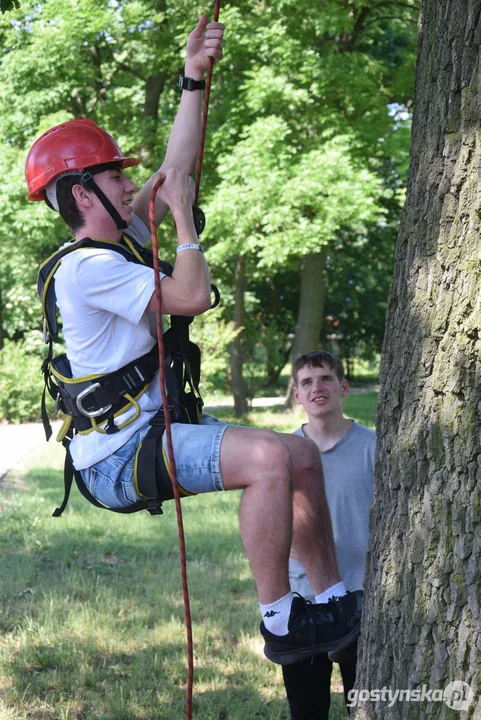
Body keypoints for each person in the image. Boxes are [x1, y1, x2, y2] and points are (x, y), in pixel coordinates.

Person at [25, 19, 362, 665]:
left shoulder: (118, 242)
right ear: (80, 192)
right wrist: (182, 221)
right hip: (118, 456)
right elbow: (191, 296)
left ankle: (331, 600)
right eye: (115, 177)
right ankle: (282, 623)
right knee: (268, 458)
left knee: (298, 454)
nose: (131, 183)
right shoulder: (89, 268)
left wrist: (192, 76)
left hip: (156, 428)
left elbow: (176, 168)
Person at [282, 351, 376, 718]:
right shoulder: (282, 455)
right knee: (307, 710)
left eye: (325, 379)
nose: (316, 387)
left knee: (366, 707)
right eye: (306, 382)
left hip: (364, 597)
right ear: (297, 396)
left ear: (344, 387)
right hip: (303, 600)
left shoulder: (374, 446)